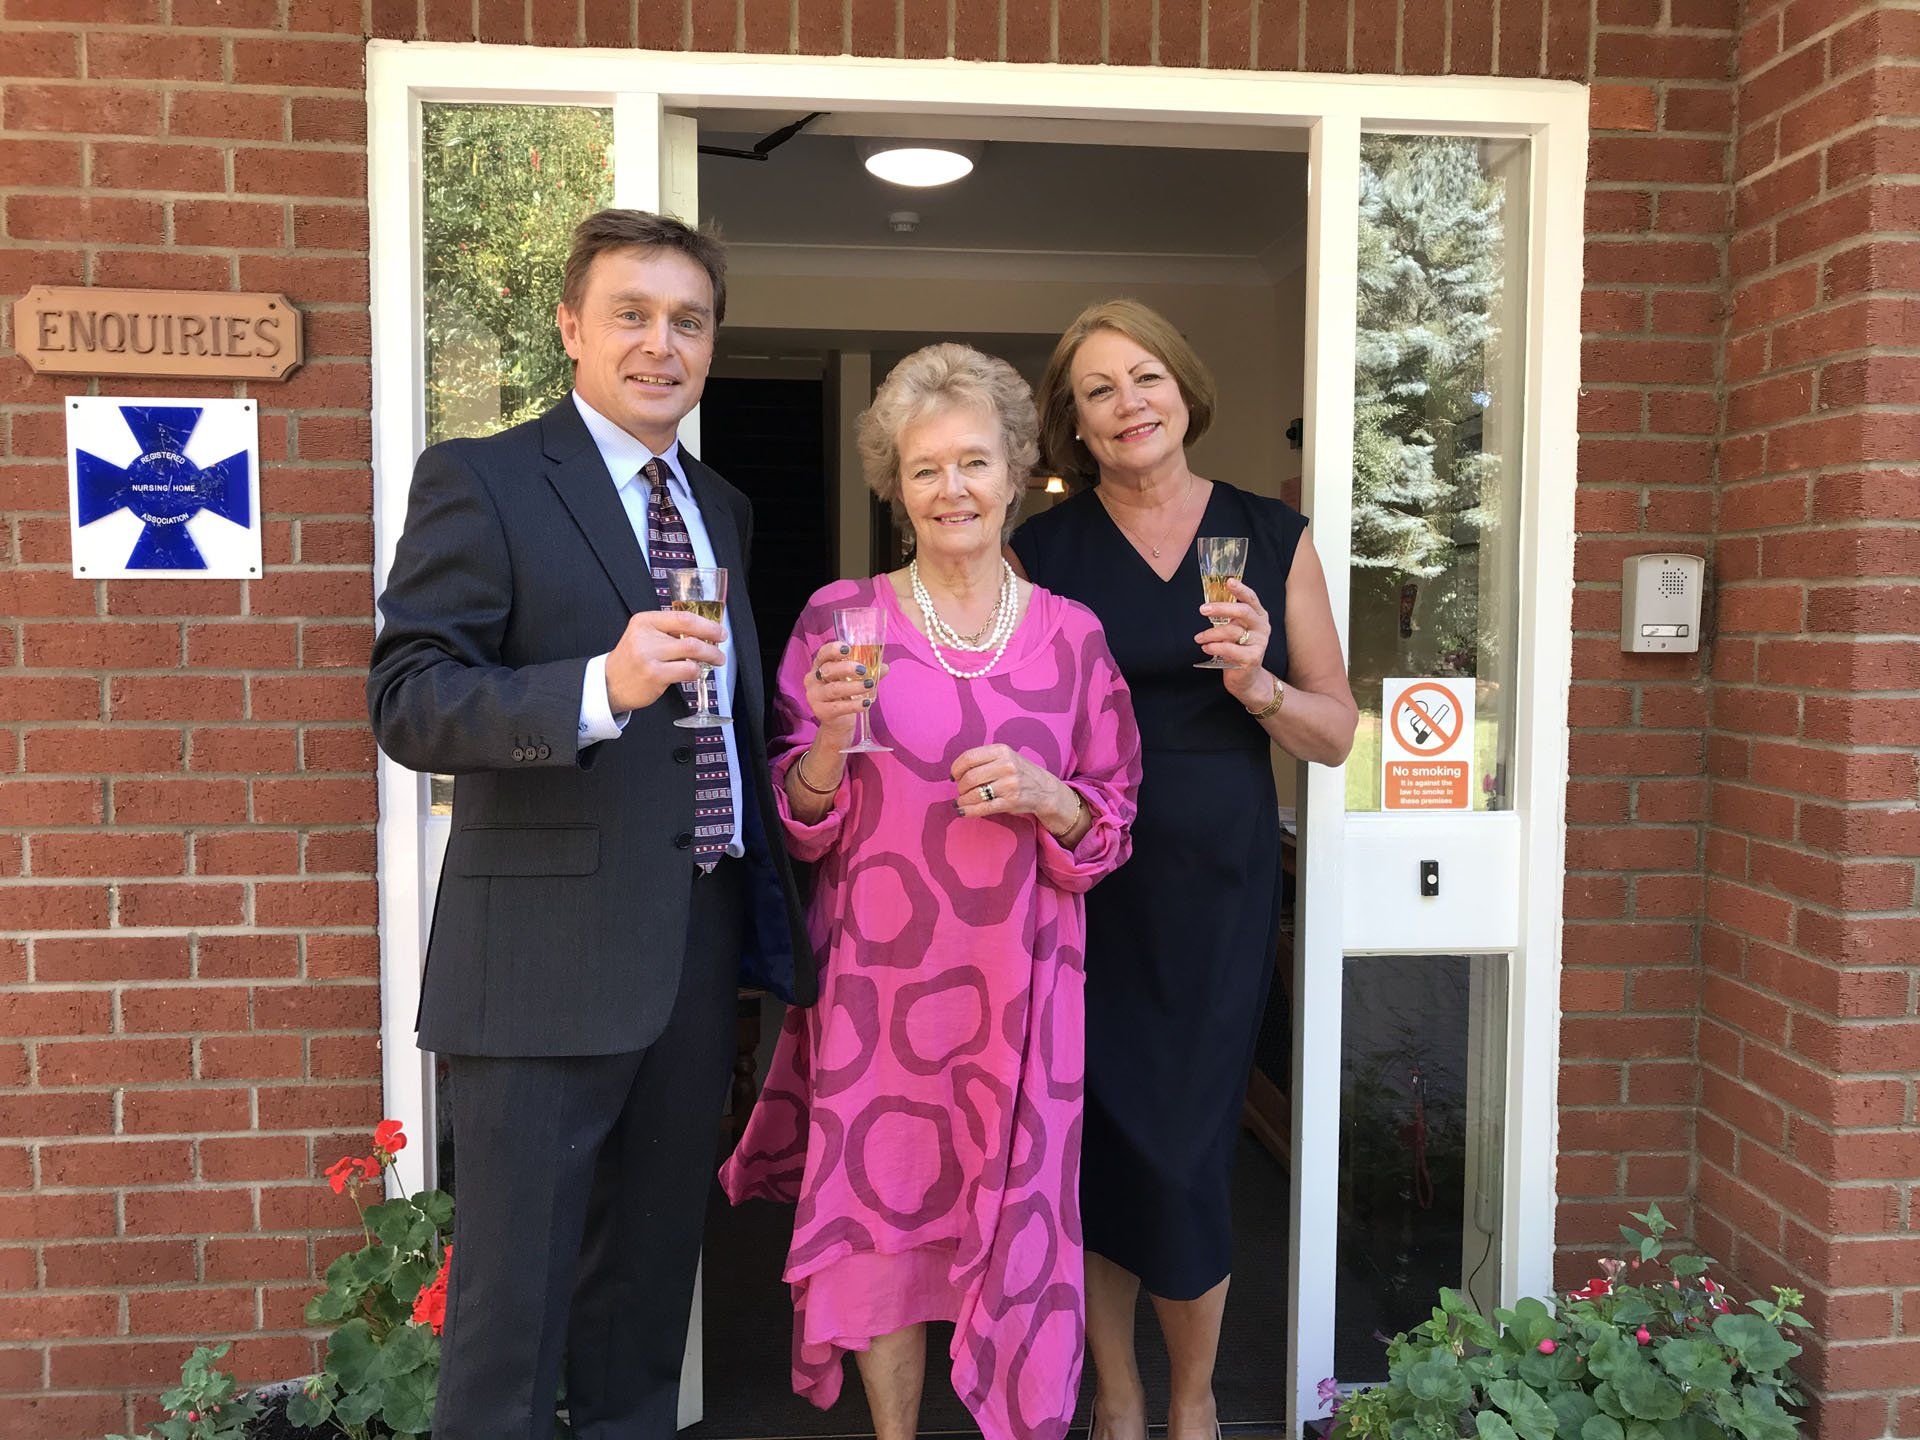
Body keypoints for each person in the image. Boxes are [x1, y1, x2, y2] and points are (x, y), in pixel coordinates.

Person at [366, 209, 813, 1440]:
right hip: (542, 965)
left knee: (644, 1303)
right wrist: (594, 689)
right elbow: (409, 700)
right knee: (510, 1326)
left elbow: (719, 726)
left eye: (688, 320)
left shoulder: (719, 505)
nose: (660, 343)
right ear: (571, 325)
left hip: (691, 946)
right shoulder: (487, 478)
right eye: (632, 313)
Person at [721, 343, 1142, 1440]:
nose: (951, 489)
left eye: (973, 463)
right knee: (881, 1234)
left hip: (1026, 991)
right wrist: (830, 738)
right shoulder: (838, 621)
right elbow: (797, 821)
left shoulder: (1074, 638)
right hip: (879, 993)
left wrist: (1054, 795)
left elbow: (1112, 824)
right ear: (894, 487)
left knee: (1023, 1232)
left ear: (1015, 473)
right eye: (924, 469)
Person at [1009, 299, 1358, 1440]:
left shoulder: (1271, 533)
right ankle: (1116, 1397)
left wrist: (1260, 686)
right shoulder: (1045, 551)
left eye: (1144, 378)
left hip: (1215, 875)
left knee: (1187, 1146)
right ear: (1076, 421)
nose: (1127, 406)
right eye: (1098, 390)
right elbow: (1002, 702)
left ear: (1184, 390)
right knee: (1101, 1144)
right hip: (1084, 873)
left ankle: (1196, 1402)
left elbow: (1336, 730)